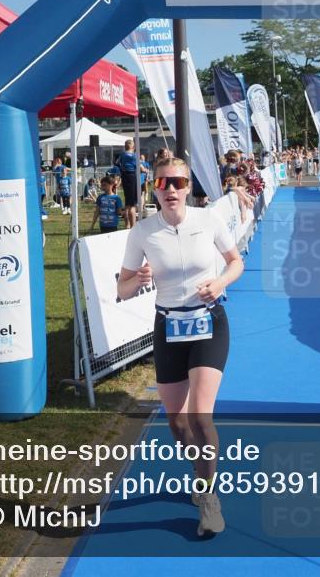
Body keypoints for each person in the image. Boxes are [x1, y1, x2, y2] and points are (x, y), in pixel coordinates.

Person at [116, 158, 244, 537]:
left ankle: (208, 496)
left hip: (208, 323)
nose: (170, 189)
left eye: (177, 182)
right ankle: (200, 471)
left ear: (188, 186)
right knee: (177, 422)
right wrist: (138, 280)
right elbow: (122, 289)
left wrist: (220, 283)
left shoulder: (208, 220)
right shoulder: (142, 232)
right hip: (168, 327)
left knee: (201, 418)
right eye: (162, 182)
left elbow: (235, 262)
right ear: (153, 188)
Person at [115, 139, 140, 229]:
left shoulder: (122, 154)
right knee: (132, 204)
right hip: (132, 176)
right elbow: (139, 166)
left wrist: (122, 170)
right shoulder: (134, 155)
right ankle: (133, 226)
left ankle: (127, 224)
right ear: (133, 146)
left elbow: (117, 163)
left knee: (127, 202)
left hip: (125, 176)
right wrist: (144, 170)